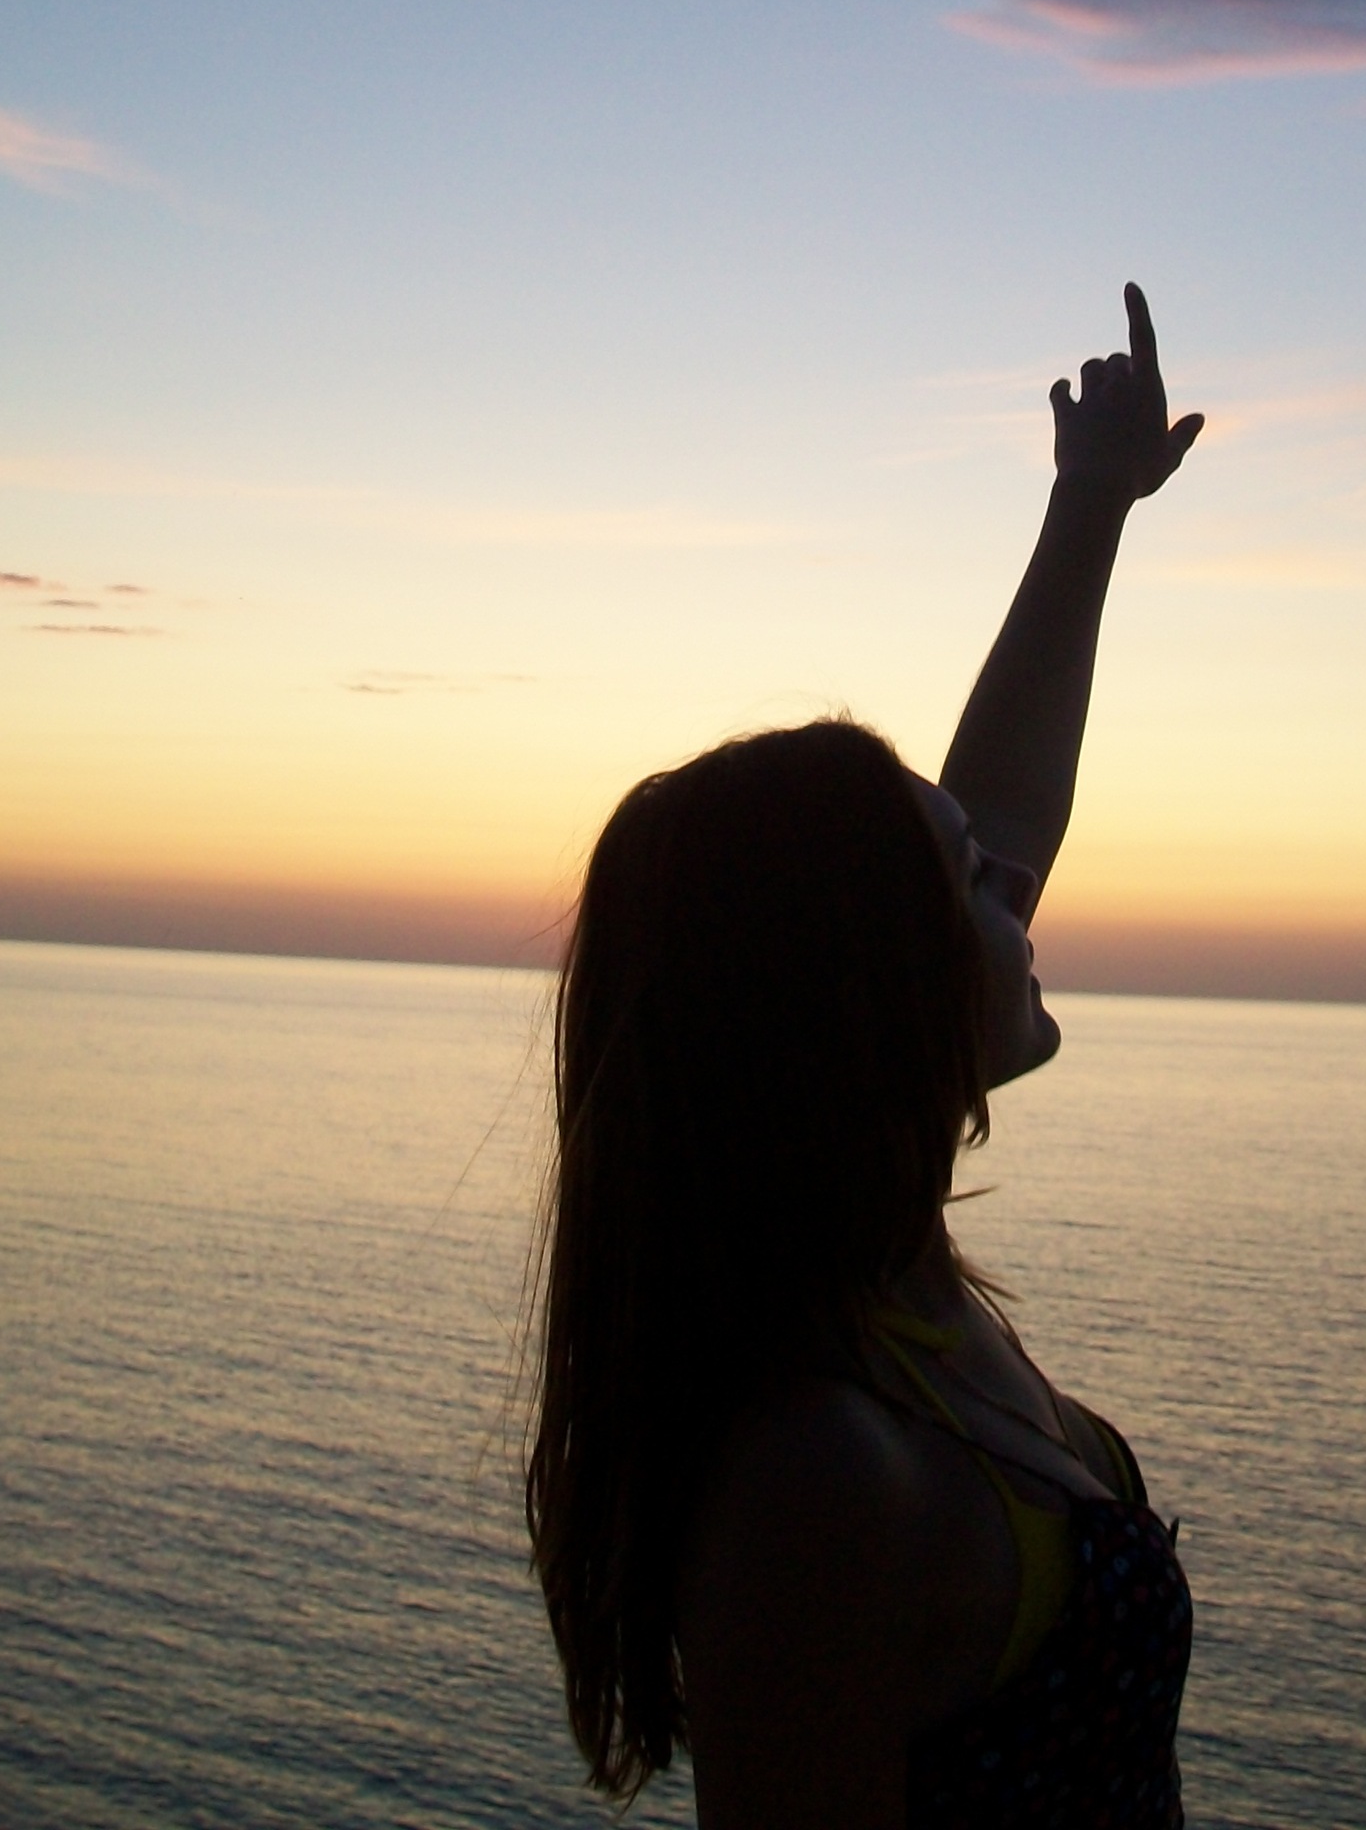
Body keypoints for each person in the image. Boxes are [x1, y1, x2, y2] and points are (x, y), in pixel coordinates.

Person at [527, 285, 1205, 1828]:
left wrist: (1092, 507)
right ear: (865, 993)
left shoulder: (885, 1294)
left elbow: (1007, 803)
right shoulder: (819, 1475)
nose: (1018, 883)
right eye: (969, 881)